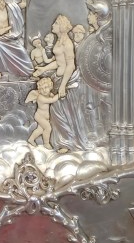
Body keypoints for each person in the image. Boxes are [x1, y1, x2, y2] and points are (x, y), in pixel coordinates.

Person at [33, 14, 93, 151]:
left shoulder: (67, 43)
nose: (53, 25)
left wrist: (63, 86)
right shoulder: (60, 41)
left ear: (61, 26)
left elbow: (70, 65)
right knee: (57, 114)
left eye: (55, 23)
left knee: (66, 113)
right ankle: (63, 141)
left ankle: (69, 143)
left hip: (65, 83)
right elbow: (58, 62)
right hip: (58, 80)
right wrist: (43, 69)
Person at [25, 76, 60, 149]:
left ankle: (31, 139)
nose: (44, 90)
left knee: (40, 130)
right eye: (42, 89)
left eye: (46, 87)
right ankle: (46, 143)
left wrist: (52, 95)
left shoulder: (48, 94)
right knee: (48, 128)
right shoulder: (41, 97)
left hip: (44, 117)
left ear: (50, 86)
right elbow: (51, 100)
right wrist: (59, 95)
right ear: (39, 90)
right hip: (40, 116)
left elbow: (51, 96)